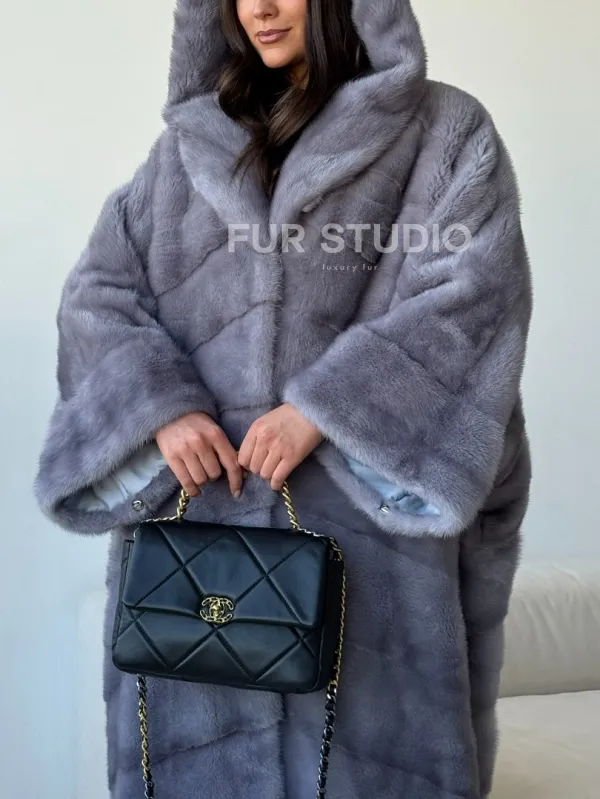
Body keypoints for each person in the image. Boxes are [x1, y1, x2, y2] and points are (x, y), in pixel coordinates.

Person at [34, 0, 533, 797]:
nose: (259, 8)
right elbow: (97, 294)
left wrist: (327, 409)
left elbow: (475, 296)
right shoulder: (188, 150)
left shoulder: (445, 133)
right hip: (197, 558)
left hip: (369, 560)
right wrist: (161, 409)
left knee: (358, 760)